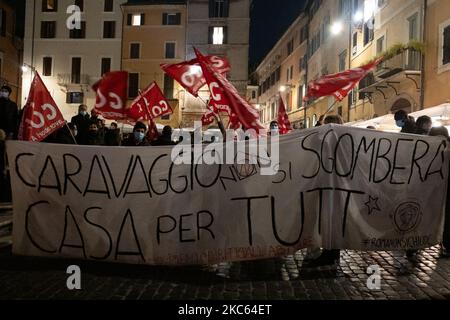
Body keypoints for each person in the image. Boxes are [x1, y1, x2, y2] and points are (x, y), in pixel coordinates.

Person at [304, 114, 344, 267]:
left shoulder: (333, 142)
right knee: (331, 220)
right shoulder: (343, 140)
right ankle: (332, 254)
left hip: (332, 187)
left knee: (331, 220)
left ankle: (330, 254)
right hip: (334, 187)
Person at [429, 126, 450, 258]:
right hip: (437, 190)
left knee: (447, 217)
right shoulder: (432, 149)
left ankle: (447, 244)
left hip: (446, 190)